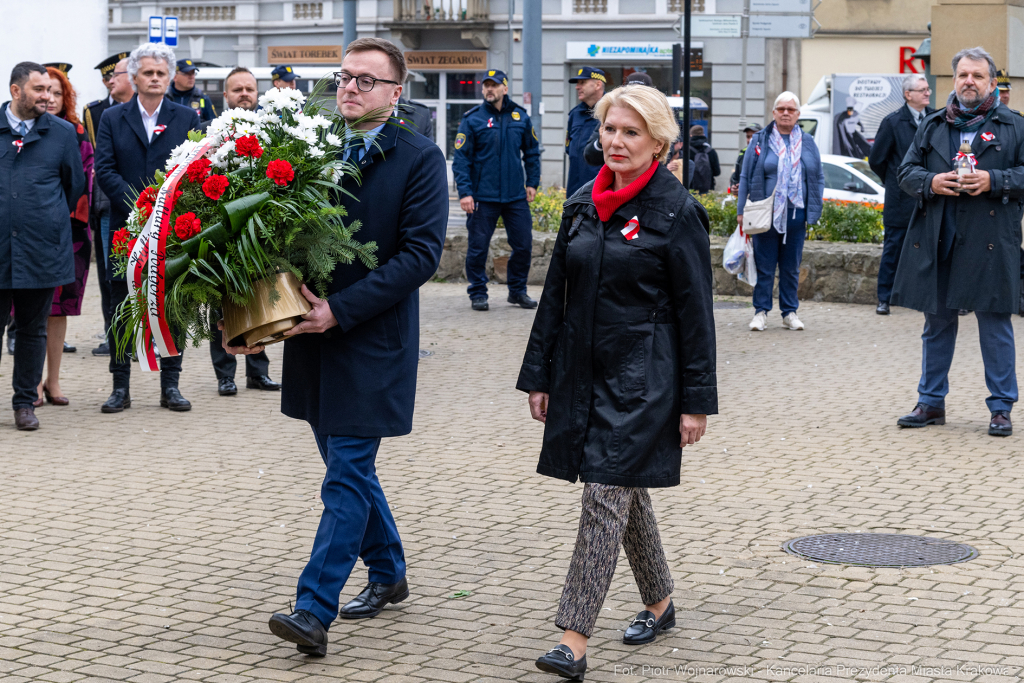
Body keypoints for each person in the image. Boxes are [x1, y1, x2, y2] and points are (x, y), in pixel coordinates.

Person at [225, 37, 449, 657]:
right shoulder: (310, 150)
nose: (349, 88)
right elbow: (276, 238)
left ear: (396, 94)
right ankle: (388, 570)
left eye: (366, 81)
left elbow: (421, 255)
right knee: (346, 467)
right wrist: (255, 316)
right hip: (309, 333)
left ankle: (312, 608)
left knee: (346, 472)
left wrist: (341, 311)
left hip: (370, 337)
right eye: (344, 77)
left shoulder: (420, 157)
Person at [516, 84, 717, 681]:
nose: (615, 142)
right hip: (582, 370)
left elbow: (697, 314)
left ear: (658, 143)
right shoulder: (582, 203)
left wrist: (696, 401)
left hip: (645, 379)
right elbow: (555, 295)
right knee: (624, 492)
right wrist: (540, 374)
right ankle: (660, 602)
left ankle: (572, 640)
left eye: (631, 132)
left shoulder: (677, 212)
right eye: (609, 130)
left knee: (603, 494)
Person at [893, 46, 1022, 437]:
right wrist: (930, 182)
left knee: (995, 325)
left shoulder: (1014, 125)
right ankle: (930, 402)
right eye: (963, 75)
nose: (969, 82)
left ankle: (1001, 408)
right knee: (936, 325)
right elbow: (905, 171)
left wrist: (994, 180)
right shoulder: (933, 125)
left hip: (990, 241)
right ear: (954, 80)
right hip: (941, 237)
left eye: (977, 76)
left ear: (991, 81)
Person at [94, 42, 200, 414]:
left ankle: (170, 385)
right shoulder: (112, 118)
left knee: (172, 301)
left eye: (161, 73)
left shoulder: (186, 118)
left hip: (173, 225)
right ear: (134, 78)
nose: (155, 79)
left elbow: (194, 169)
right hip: (125, 225)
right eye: (148, 73)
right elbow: (104, 168)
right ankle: (120, 387)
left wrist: (163, 208)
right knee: (119, 303)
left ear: (169, 78)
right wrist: (139, 207)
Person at [0, 62, 85, 430]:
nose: (48, 97)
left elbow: (74, 186)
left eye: (50, 91)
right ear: (16, 91)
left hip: (41, 249)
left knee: (33, 329)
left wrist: (40, 216)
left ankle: (24, 404)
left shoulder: (63, 133)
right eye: (39, 90)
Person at [198, 67, 281, 397]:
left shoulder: (273, 133)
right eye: (237, 89)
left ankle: (259, 372)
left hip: (262, 232)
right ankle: (225, 375)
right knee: (223, 305)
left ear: (257, 94)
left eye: (249, 88)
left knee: (264, 300)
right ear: (225, 96)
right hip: (223, 231)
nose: (244, 94)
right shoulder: (207, 133)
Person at [31, 65, 94, 406]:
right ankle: (29, 382)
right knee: (29, 310)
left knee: (58, 310)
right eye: (46, 91)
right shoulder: (22, 130)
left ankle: (52, 381)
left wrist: (59, 214)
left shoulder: (76, 132)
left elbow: (81, 181)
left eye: (58, 93)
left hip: (71, 233)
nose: (51, 99)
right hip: (30, 234)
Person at [452, 69, 541, 312]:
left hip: (515, 197)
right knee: (478, 248)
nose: (489, 89)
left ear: (505, 88)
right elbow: (461, 160)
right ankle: (478, 293)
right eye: (485, 86)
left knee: (523, 246)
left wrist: (532, 183)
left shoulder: (520, 117)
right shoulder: (472, 119)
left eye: (494, 85)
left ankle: (517, 291)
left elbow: (532, 152)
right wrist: (465, 193)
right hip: (482, 198)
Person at [737, 91, 825, 332]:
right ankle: (760, 312)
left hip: (796, 213)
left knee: (790, 267)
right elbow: (745, 176)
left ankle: (789, 313)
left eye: (791, 109)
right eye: (781, 109)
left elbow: (817, 177)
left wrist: (814, 210)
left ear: (798, 115)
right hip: (765, 214)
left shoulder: (807, 142)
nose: (786, 113)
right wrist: (740, 211)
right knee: (764, 266)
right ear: (774, 113)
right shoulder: (759, 140)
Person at [869, 74, 934, 316]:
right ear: (908, 95)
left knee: (932, 249)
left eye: (928, 89)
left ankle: (928, 297)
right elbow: (876, 160)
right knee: (894, 249)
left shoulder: (936, 119)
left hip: (931, 197)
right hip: (901, 201)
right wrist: (895, 182)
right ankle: (884, 298)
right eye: (922, 90)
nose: (928, 93)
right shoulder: (893, 122)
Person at [83, 52, 131, 357]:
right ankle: (112, 332)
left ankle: (146, 334)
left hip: (147, 203)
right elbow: (101, 163)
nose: (112, 80)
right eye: (109, 76)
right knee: (110, 274)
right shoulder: (97, 112)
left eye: (118, 74)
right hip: (108, 202)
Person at [581, 72, 653, 169]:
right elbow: (589, 155)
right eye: (611, 129)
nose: (616, 142)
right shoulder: (612, 115)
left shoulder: (656, 119)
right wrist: (600, 142)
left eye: (632, 132)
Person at [564, 65, 606, 196]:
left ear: (598, 84)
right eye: (577, 83)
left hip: (601, 192)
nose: (577, 87)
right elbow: (569, 149)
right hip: (575, 191)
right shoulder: (575, 114)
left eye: (583, 83)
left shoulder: (611, 112)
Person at [673, 124, 719, 193]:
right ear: (703, 135)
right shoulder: (711, 151)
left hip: (690, 189)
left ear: (690, 135)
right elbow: (717, 172)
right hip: (707, 190)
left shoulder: (685, 151)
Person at [729, 122, 763, 191]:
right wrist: (734, 186)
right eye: (748, 137)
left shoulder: (766, 154)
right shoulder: (743, 154)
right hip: (744, 199)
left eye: (753, 136)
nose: (750, 139)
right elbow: (735, 176)